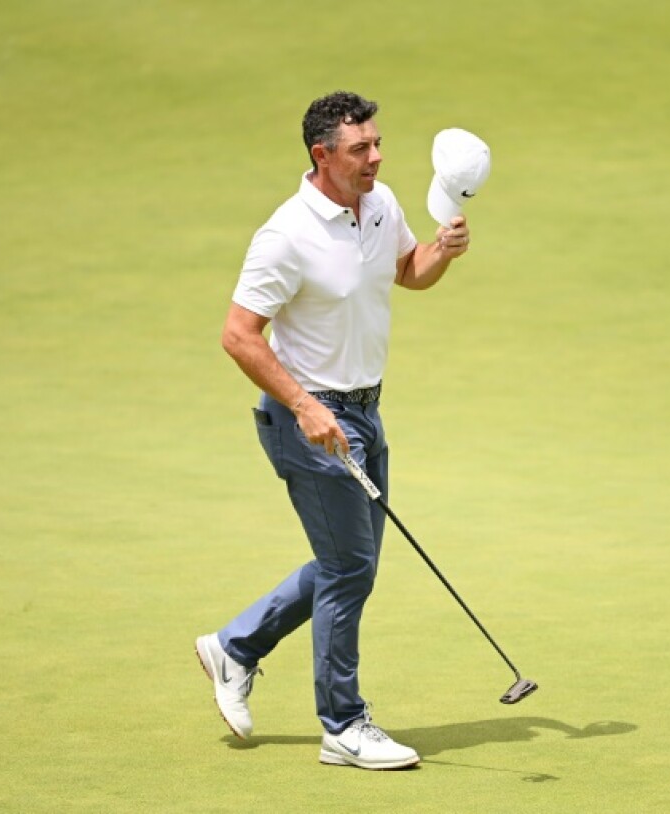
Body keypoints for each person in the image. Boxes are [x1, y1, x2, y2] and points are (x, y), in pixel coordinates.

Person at [194, 90, 471, 770]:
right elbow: (238, 335)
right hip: (310, 420)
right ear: (322, 155)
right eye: (360, 149)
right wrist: (304, 406)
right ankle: (343, 726)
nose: (376, 157)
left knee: (350, 563)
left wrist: (441, 251)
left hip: (366, 413)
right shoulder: (286, 235)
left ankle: (235, 646)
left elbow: (407, 272)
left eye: (377, 144)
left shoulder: (381, 204)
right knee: (350, 567)